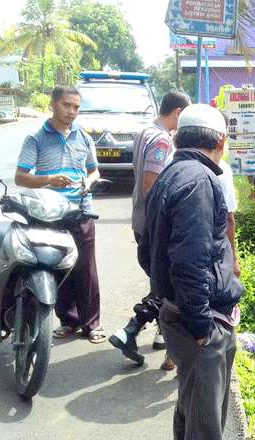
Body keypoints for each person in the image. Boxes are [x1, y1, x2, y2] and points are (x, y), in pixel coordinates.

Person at [139, 103, 244, 440]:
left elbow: (147, 247)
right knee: (205, 431)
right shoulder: (200, 182)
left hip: (179, 312)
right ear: (221, 140)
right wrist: (200, 326)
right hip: (200, 321)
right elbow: (190, 261)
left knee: (192, 412)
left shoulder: (171, 173)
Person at [15, 85, 106, 344]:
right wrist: (49, 180)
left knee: (86, 269)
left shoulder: (83, 137)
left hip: (81, 211)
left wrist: (89, 182)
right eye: (67, 105)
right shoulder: (36, 139)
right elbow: (20, 177)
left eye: (76, 107)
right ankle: (69, 320)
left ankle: (92, 324)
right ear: (53, 104)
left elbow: (94, 170)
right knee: (57, 268)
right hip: (48, 215)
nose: (72, 111)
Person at [109, 91, 191, 368]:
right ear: (178, 113)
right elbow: (150, 185)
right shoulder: (161, 140)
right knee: (168, 284)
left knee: (162, 283)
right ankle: (134, 330)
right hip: (155, 224)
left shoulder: (145, 132)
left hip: (143, 220)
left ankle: (157, 335)